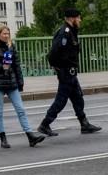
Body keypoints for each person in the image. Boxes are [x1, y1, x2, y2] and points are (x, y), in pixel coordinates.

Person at [38, 8, 102, 136]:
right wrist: (57, 67)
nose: (80, 20)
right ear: (72, 18)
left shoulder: (72, 31)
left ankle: (84, 124)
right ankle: (45, 124)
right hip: (66, 72)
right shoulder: (65, 33)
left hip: (71, 72)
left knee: (78, 98)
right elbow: (53, 53)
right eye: (78, 18)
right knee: (61, 100)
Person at [0, 23, 46, 149]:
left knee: (21, 109)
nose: (6, 36)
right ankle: (3, 138)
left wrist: (20, 82)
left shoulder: (11, 46)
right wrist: (1, 66)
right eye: (4, 34)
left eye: (8, 34)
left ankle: (31, 136)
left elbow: (16, 65)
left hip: (11, 83)